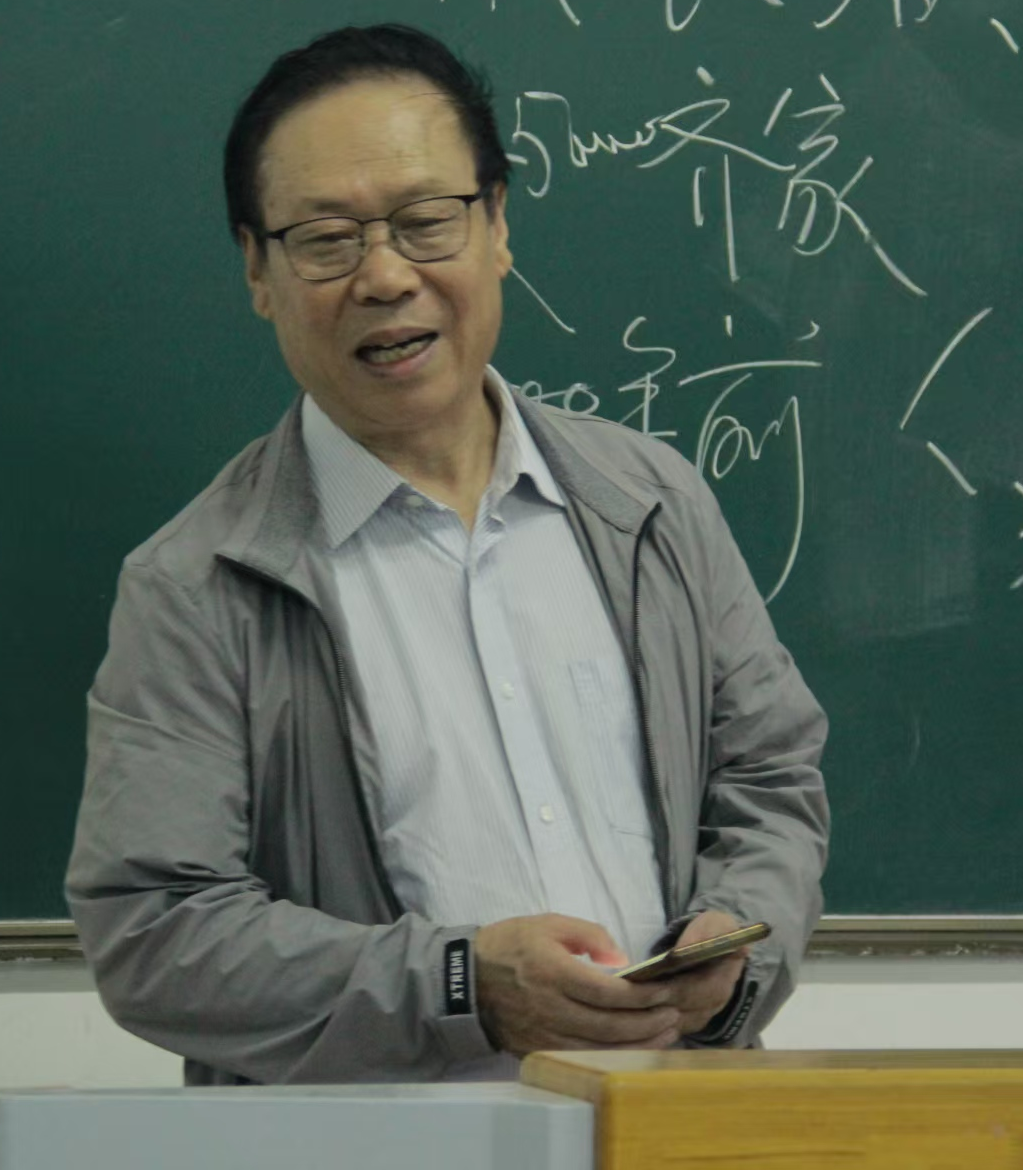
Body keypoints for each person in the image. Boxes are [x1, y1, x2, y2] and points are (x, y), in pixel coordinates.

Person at [65, 23, 829, 1086]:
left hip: (669, 1128)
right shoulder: (197, 586)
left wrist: (734, 948)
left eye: (426, 222)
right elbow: (155, 934)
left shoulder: (651, 503)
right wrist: (462, 986)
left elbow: (769, 777)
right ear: (256, 268)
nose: (385, 276)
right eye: (326, 239)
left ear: (496, 225)